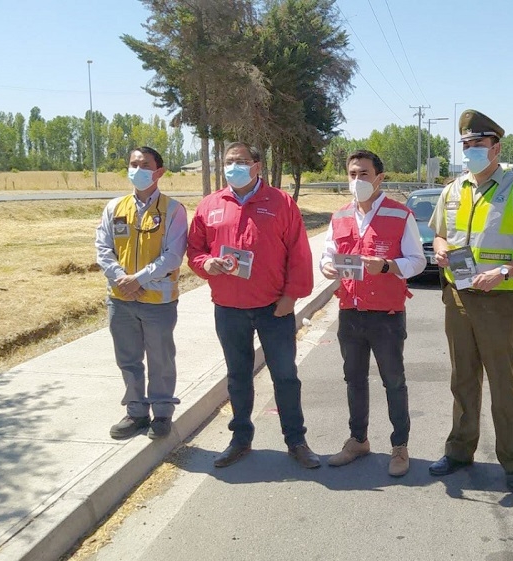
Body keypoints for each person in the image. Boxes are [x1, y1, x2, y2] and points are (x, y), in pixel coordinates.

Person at [428, 109, 513, 493]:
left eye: (478, 145)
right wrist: (440, 250)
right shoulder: (452, 189)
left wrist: (503, 272)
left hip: (498, 300)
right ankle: (459, 450)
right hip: (458, 297)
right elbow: (439, 234)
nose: (471, 151)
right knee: (462, 379)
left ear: (496, 148)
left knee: (502, 382)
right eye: (466, 145)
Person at [187, 141, 320, 469]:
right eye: (229, 161)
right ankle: (241, 438)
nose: (234, 166)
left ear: (257, 166)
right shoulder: (210, 205)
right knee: (238, 376)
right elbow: (195, 250)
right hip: (229, 308)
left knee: (285, 375)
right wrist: (207, 264)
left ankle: (296, 440)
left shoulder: (280, 203)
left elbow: (299, 254)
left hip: (274, 308)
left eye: (241, 161)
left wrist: (291, 297)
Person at [319, 150, 426, 477]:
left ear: (379, 177)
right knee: (354, 379)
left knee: (393, 381)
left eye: (363, 174)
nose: (357, 180)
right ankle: (358, 439)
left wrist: (388, 266)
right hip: (350, 312)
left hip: (387, 315)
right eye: (352, 174)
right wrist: (326, 267)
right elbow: (328, 254)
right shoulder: (339, 217)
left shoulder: (400, 215)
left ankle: (400, 446)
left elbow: (418, 261)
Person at [96, 146, 188, 440]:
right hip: (121, 300)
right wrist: (121, 278)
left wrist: (139, 279)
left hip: (157, 301)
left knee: (160, 359)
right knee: (128, 358)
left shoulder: (173, 210)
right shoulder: (114, 208)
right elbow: (103, 249)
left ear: (158, 172)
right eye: (133, 164)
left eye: (144, 164)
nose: (137, 169)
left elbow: (173, 255)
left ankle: (161, 413)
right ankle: (136, 412)